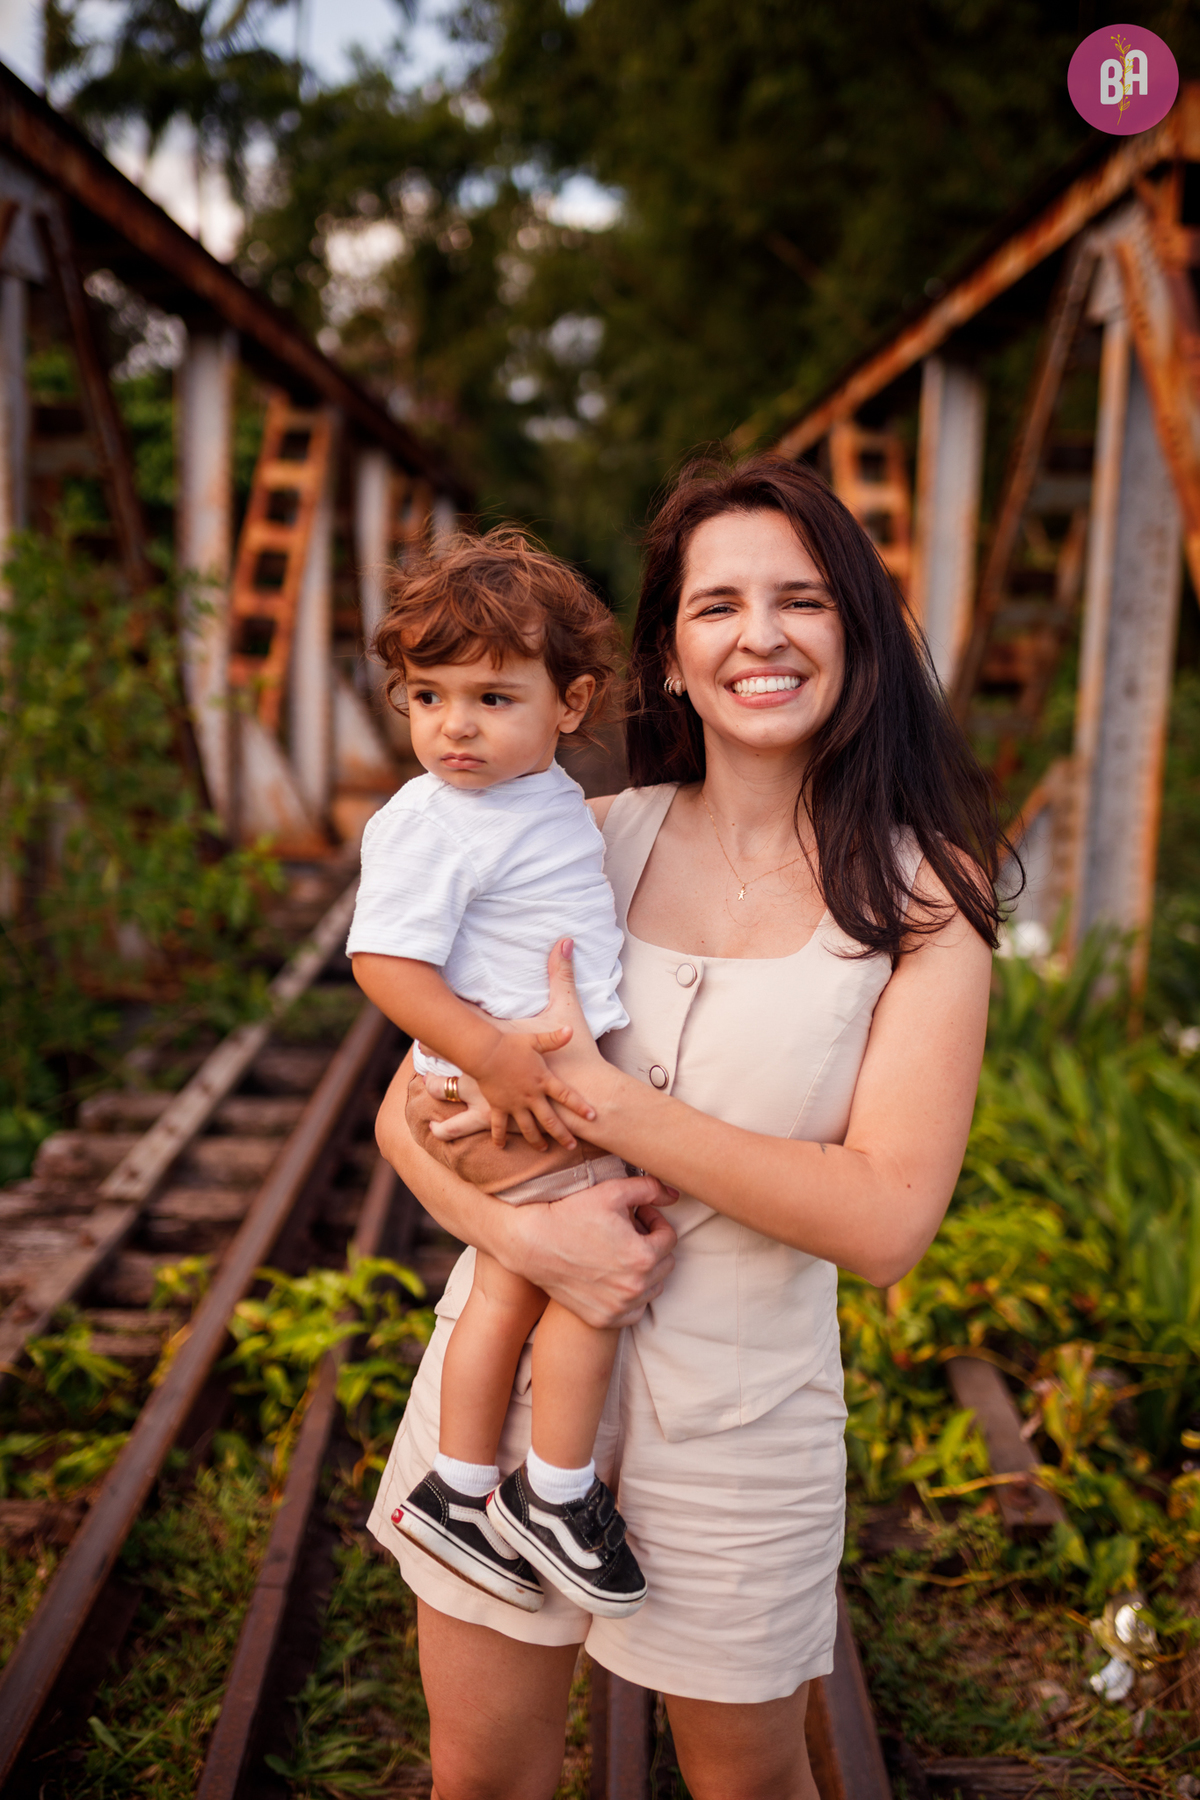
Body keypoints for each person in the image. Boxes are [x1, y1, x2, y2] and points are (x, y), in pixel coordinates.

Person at [369, 454, 1004, 1800]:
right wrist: (529, 1246)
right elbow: (404, 1111)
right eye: (717, 605)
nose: (759, 635)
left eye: (804, 601)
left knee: (747, 1788)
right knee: (477, 1780)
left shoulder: (925, 899)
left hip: (740, 1425)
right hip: (507, 1403)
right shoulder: (580, 836)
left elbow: (888, 1222)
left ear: (862, 637)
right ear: (665, 655)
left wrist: (604, 1106)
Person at [348, 530, 650, 1622]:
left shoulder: (530, 798)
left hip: (524, 1086)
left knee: (514, 1285)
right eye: (427, 696)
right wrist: (487, 1052)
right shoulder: (435, 821)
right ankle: (553, 1494)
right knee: (586, 1282)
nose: (454, 727)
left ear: (570, 704)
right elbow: (383, 959)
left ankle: (460, 1487)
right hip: (506, 1093)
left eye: (489, 697)